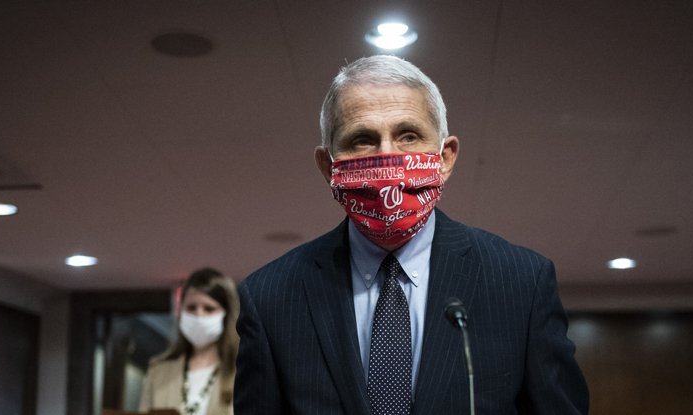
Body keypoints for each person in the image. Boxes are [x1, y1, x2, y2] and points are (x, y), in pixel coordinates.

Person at [234, 55, 589, 414]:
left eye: (408, 135)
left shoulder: (520, 282)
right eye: (362, 140)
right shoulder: (271, 297)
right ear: (328, 167)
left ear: (446, 157)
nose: (387, 156)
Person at [141, 267, 240, 415]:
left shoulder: (242, 369)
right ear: (181, 311)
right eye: (191, 308)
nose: (199, 316)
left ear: (226, 315)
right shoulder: (158, 370)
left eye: (209, 309)